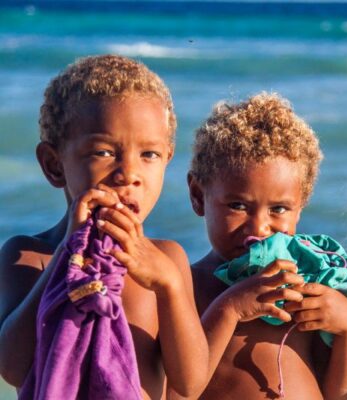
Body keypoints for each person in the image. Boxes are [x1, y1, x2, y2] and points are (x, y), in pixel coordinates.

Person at [0, 55, 209, 399]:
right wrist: (68, 251)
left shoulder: (168, 260)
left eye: (149, 155)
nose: (129, 174)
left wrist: (169, 285)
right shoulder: (29, 256)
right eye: (104, 152)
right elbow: (11, 366)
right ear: (54, 165)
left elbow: (190, 382)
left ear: (168, 159)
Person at [187, 92, 347, 399]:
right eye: (238, 205)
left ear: (301, 207)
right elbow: (180, 390)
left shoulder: (306, 286)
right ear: (198, 195)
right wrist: (229, 309)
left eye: (279, 209)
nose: (259, 227)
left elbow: (339, 394)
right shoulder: (188, 287)